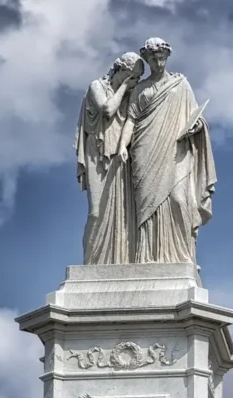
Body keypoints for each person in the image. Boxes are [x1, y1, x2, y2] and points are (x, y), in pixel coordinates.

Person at [117, 37, 217, 264]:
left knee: (179, 200)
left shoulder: (181, 85)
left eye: (161, 56)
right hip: (144, 149)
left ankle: (181, 256)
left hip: (176, 149)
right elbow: (131, 120)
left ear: (167, 56)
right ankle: (147, 257)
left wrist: (198, 126)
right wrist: (123, 145)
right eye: (152, 57)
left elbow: (196, 115)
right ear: (147, 59)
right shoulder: (140, 88)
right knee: (147, 205)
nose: (157, 60)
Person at [75, 52, 144, 264]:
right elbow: (107, 110)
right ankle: (90, 263)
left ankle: (119, 261)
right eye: (132, 76)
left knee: (121, 214)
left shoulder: (130, 96)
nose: (135, 82)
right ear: (120, 70)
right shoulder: (96, 86)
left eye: (138, 79)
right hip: (97, 151)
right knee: (96, 212)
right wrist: (125, 87)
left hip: (121, 156)